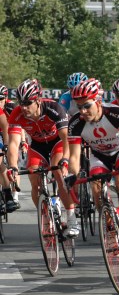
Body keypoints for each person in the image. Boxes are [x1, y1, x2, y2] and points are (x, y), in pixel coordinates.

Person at [66, 78, 119, 252]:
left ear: (97, 101)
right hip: (99, 155)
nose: (83, 111)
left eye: (87, 106)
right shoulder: (76, 123)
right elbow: (74, 157)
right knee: (95, 188)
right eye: (79, 107)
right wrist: (71, 174)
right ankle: (110, 227)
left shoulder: (116, 114)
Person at [7, 79, 80, 237]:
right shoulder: (17, 114)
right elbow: (13, 144)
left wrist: (65, 160)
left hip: (57, 143)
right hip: (38, 146)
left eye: (28, 103)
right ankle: (46, 216)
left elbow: (66, 139)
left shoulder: (54, 108)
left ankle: (72, 218)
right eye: (21, 103)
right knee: (33, 177)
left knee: (58, 174)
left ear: (38, 100)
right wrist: (12, 166)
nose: (24, 107)